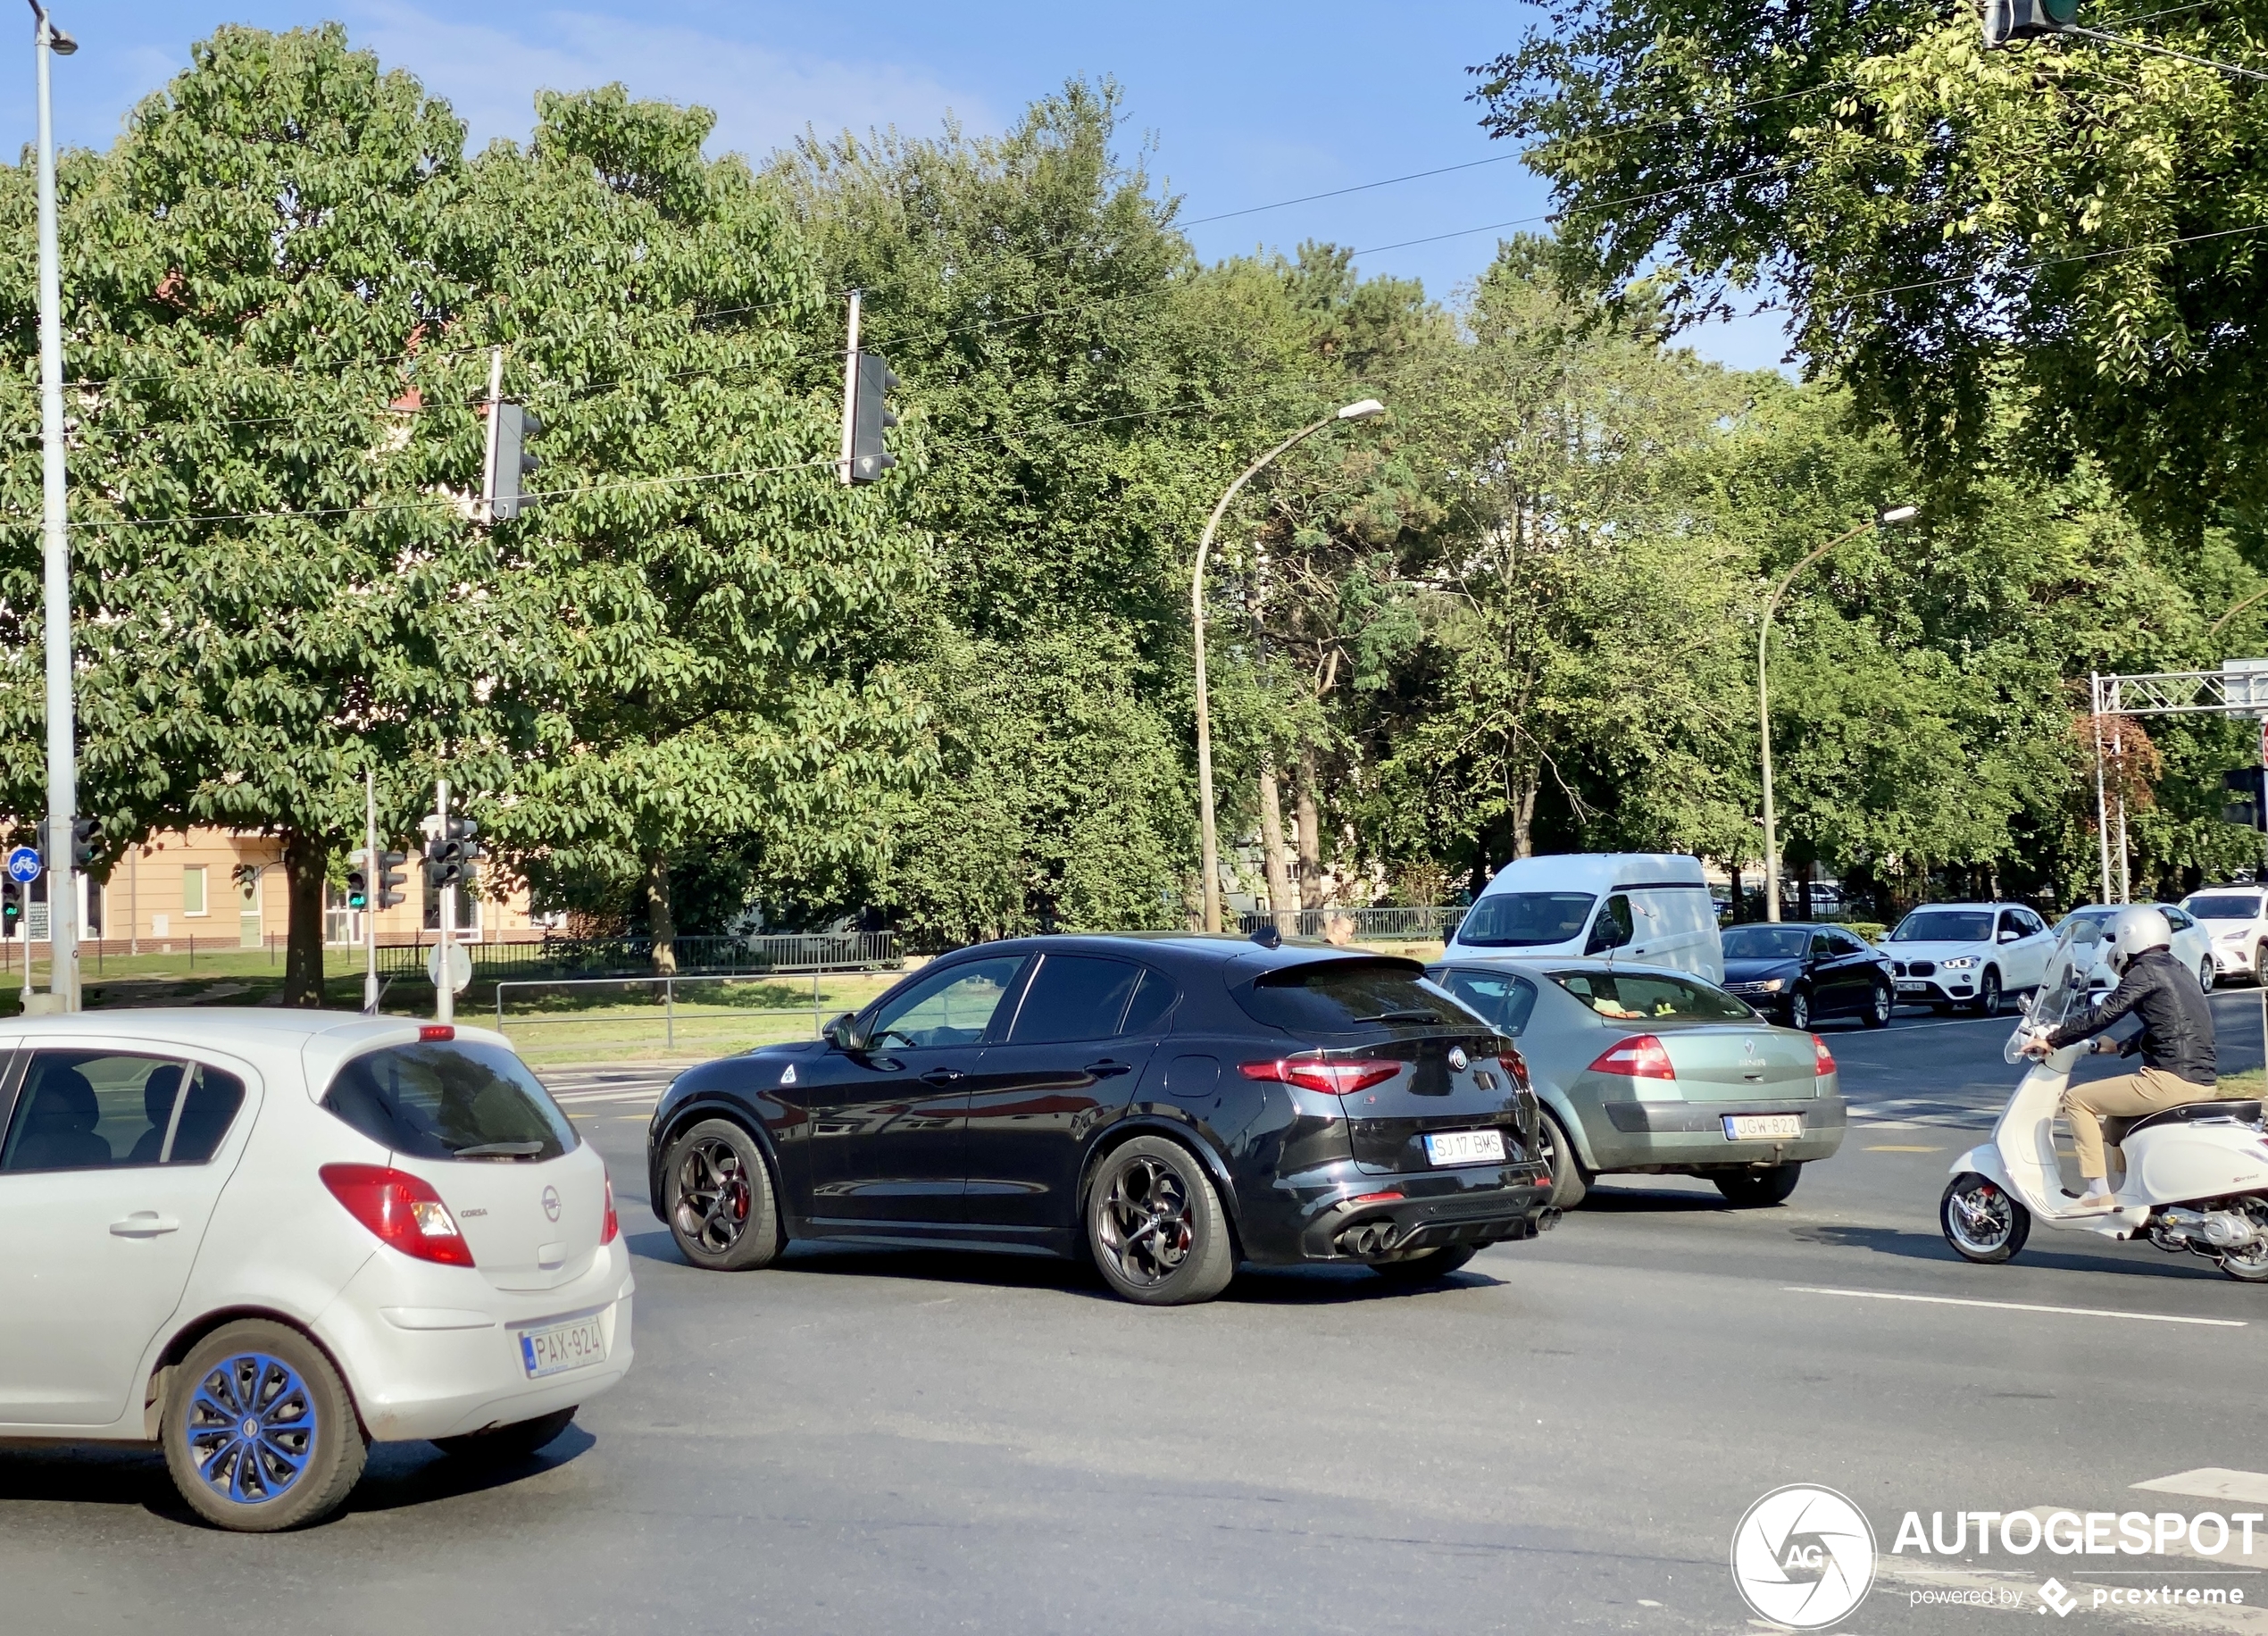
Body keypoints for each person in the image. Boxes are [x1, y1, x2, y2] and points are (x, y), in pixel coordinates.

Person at [2022, 905, 2217, 1211]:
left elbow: (2106, 1011)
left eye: (2116, 938)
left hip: (2171, 1079)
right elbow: (2173, 1024)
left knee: (2078, 1101)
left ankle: (2097, 1191)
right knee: (2115, 1125)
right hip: (2201, 1079)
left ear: (2130, 934)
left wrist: (2051, 1039)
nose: (2114, 947)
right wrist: (2121, 1047)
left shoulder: (2145, 970)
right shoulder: (2178, 968)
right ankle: (2131, 1192)